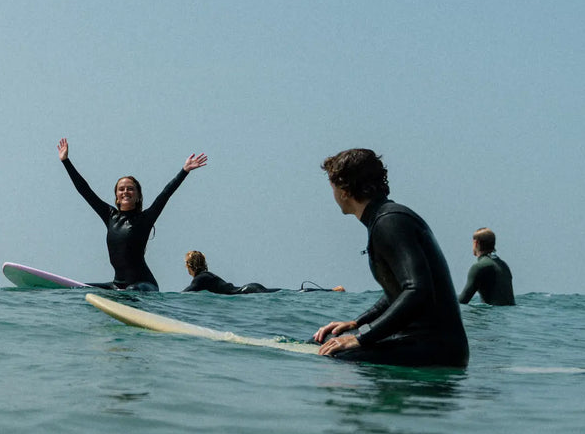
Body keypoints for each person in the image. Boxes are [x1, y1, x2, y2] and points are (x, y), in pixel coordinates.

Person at [311, 149, 468, 367]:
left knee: (331, 357)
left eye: (333, 188)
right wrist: (357, 324)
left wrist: (360, 338)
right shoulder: (385, 218)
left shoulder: (389, 222)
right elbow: (398, 291)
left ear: (344, 190)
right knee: (322, 342)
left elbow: (417, 291)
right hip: (425, 344)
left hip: (433, 349)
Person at [57, 138, 206, 291]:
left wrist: (184, 171)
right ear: (116, 196)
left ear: (138, 196)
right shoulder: (110, 216)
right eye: (121, 189)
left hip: (144, 285)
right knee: (80, 288)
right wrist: (66, 161)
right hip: (117, 284)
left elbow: (165, 194)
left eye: (130, 189)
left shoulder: (145, 219)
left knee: (131, 291)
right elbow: (85, 190)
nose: (125, 192)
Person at [459, 228, 515, 305]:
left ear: (475, 243)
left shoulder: (479, 267)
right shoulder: (503, 265)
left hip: (491, 315)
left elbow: (462, 301)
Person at [182, 251, 277, 294]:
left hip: (248, 291)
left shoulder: (200, 279)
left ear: (188, 265)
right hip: (249, 289)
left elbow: (184, 294)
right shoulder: (206, 276)